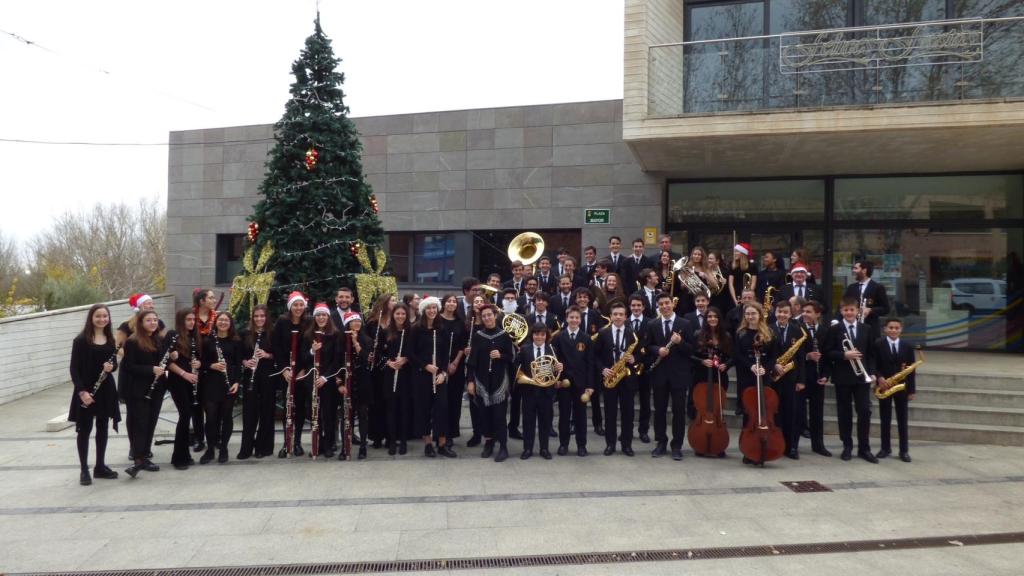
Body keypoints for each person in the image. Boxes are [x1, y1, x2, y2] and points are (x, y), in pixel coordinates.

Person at [69, 304, 121, 485]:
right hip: (86, 389)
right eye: (98, 316)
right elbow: (74, 369)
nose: (102, 319)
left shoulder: (110, 339)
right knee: (84, 430)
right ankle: (84, 469)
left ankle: (100, 466)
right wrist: (82, 392)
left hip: (105, 389)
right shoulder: (81, 340)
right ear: (91, 318)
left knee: (102, 427)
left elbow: (114, 364)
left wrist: (111, 367)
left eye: (105, 316)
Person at [826, 296, 878, 463]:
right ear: (841, 311)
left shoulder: (866, 328)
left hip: (862, 378)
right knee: (844, 413)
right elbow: (828, 352)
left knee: (864, 411)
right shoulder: (835, 329)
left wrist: (872, 372)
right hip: (842, 377)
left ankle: (864, 448)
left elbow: (871, 354)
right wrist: (844, 355)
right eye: (845, 310)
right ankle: (847, 446)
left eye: (852, 310)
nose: (849, 312)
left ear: (857, 311)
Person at [116, 293, 166, 461]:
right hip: (135, 381)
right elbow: (124, 356)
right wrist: (149, 367)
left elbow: (163, 352)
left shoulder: (157, 336)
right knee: (137, 418)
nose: (153, 322)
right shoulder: (130, 334)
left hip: (155, 381)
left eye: (155, 320)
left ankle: (144, 450)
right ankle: (137, 451)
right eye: (149, 320)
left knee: (150, 418)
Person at [644, 293, 694, 461]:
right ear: (658, 306)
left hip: (679, 375)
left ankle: (677, 445)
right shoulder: (652, 324)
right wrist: (657, 350)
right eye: (661, 304)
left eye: (667, 303)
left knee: (679, 411)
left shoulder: (685, 324)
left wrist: (680, 342)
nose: (664, 306)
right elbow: (647, 346)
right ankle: (661, 442)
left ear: (673, 304)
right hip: (660, 374)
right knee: (659, 410)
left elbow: (692, 350)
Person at [467, 304, 516, 462]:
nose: (487, 318)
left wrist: (500, 355)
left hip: (499, 380)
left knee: (499, 415)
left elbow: (511, 357)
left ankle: (503, 446)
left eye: (489, 315)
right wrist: (470, 381)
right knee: (484, 414)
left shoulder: (504, 335)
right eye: (484, 316)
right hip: (482, 380)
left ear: (495, 315)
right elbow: (471, 361)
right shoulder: (478, 336)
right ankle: (488, 442)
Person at [411, 297, 457, 458]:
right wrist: (425, 366)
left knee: (441, 409)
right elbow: (410, 353)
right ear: (423, 310)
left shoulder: (442, 329)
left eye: (434, 308)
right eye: (428, 308)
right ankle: (428, 444)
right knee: (423, 409)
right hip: (422, 376)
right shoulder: (416, 329)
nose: (432, 311)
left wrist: (443, 373)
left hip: (439, 377)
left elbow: (445, 354)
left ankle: (442, 444)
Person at [595, 301, 639, 457]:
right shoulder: (603, 333)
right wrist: (602, 369)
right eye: (615, 314)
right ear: (611, 316)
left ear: (626, 317)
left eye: (621, 314)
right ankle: (610, 444)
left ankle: (627, 445)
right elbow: (595, 355)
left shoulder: (632, 334)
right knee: (610, 413)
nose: (618, 317)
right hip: (610, 377)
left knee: (628, 414)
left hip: (627, 378)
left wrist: (634, 359)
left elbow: (640, 353)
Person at [272, 291, 312, 457]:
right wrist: (284, 369)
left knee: (300, 407)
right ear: (290, 306)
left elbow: (309, 347)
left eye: (301, 305)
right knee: (288, 406)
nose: (298, 308)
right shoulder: (282, 322)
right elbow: (276, 347)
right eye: (295, 305)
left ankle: (297, 442)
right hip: (286, 372)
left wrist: (303, 369)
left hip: (302, 372)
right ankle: (286, 441)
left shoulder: (309, 322)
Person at [199, 311, 242, 465]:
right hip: (210, 383)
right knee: (210, 418)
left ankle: (223, 448)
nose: (223, 322)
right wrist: (212, 365)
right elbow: (201, 362)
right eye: (221, 320)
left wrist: (237, 382)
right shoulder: (208, 340)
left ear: (230, 324)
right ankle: (210, 449)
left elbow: (238, 364)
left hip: (229, 383)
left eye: (226, 320)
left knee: (226, 416)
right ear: (216, 322)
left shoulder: (236, 341)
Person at [552, 306, 594, 456]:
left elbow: (590, 364)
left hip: (581, 384)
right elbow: (554, 360)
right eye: (571, 317)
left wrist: (590, 385)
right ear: (567, 318)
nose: (574, 320)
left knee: (581, 416)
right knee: (564, 415)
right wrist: (556, 379)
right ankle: (563, 444)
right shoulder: (558, 337)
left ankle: (581, 445)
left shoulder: (586, 338)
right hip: (564, 383)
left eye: (577, 318)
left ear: (580, 320)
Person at [691, 305, 732, 457]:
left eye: (715, 316)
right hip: (702, 375)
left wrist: (726, 364)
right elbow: (690, 355)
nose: (712, 319)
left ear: (719, 318)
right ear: (705, 319)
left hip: (719, 375)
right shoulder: (698, 334)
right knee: (701, 408)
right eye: (709, 316)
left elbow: (733, 356)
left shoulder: (726, 336)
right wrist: (702, 361)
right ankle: (700, 441)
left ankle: (718, 443)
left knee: (717, 409)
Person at [874, 317, 916, 463]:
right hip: (884, 386)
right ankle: (885, 448)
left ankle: (904, 450)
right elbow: (874, 364)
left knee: (902, 420)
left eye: (896, 328)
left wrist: (911, 390)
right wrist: (879, 378)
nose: (893, 330)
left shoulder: (907, 346)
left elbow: (911, 370)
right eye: (890, 328)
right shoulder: (878, 344)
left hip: (902, 387)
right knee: (885, 419)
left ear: (901, 330)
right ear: (885, 329)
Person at [236, 305, 275, 460]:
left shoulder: (272, 333)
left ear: (267, 317)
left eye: (262, 316)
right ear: (252, 318)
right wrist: (245, 362)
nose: (259, 319)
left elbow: (279, 354)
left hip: (267, 376)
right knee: (249, 412)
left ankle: (263, 447)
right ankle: (246, 448)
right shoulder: (244, 334)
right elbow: (238, 355)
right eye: (256, 316)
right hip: (250, 376)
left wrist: (267, 355)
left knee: (267, 411)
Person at [164, 308, 201, 469]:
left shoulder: (194, 336)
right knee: (184, 416)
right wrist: (184, 374)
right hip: (177, 380)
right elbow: (167, 362)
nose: (192, 322)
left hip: (191, 380)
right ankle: (178, 458)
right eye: (188, 320)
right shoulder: (172, 335)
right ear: (181, 320)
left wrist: (198, 363)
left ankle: (184, 455)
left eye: (193, 319)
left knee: (187, 417)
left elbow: (199, 358)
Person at [770, 300, 806, 460]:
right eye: (779, 312)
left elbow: (801, 357)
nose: (782, 315)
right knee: (774, 413)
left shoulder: (797, 330)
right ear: (775, 312)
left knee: (791, 413)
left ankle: (791, 446)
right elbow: (765, 353)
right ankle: (774, 444)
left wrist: (801, 380)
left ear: (790, 314)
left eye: (785, 312)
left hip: (791, 378)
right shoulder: (768, 328)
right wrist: (774, 364)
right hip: (773, 378)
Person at [518, 323, 557, 460]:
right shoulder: (525, 349)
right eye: (536, 334)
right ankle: (527, 448)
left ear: (546, 336)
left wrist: (558, 368)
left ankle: (544, 448)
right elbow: (518, 367)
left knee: (545, 422)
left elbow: (554, 371)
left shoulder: (552, 349)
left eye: (542, 334)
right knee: (528, 422)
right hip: (529, 391)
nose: (539, 337)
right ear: (532, 335)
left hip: (546, 392)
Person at [307, 303, 341, 459]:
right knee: (315, 414)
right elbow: (303, 358)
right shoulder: (308, 335)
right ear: (315, 317)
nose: (321, 318)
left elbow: (337, 360)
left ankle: (328, 445)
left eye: (324, 315)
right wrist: (312, 351)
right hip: (313, 380)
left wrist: (325, 377)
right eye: (318, 315)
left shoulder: (335, 335)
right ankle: (317, 444)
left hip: (328, 380)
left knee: (328, 413)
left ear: (328, 317)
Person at [338, 311, 373, 459]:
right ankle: (345, 447)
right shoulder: (340, 340)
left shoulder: (367, 339)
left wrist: (355, 343)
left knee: (363, 414)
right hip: (347, 381)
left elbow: (367, 360)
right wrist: (339, 383)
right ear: (348, 324)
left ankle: (363, 446)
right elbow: (336, 362)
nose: (357, 323)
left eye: (358, 321)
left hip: (363, 380)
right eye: (353, 321)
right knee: (346, 415)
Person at [800, 300, 832, 457]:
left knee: (817, 414)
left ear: (818, 314)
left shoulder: (825, 331)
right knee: (797, 412)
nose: (804, 314)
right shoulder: (797, 328)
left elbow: (828, 356)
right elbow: (795, 354)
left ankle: (818, 445)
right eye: (804, 311)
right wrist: (807, 356)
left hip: (818, 378)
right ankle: (792, 446)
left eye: (808, 312)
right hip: (801, 377)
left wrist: (826, 375)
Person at [363, 293, 394, 449]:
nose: (395, 303)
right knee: (376, 403)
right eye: (392, 300)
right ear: (385, 303)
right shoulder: (372, 323)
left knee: (389, 402)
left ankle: (390, 436)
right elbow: (367, 343)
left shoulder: (396, 320)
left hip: (392, 365)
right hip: (376, 367)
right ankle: (376, 436)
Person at [383, 303, 413, 456]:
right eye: (397, 314)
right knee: (391, 409)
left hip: (406, 375)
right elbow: (379, 354)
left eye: (403, 314)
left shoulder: (411, 332)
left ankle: (404, 441)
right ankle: (392, 441)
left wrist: (406, 359)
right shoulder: (386, 332)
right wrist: (388, 362)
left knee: (404, 409)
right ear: (393, 315)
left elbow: (416, 353)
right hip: (390, 375)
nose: (400, 316)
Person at [439, 294, 467, 448]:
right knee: (441, 402)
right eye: (449, 301)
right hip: (439, 366)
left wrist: (455, 363)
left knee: (454, 401)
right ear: (444, 303)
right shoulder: (437, 320)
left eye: (454, 301)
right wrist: (444, 365)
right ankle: (440, 432)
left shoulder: (460, 322)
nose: (451, 303)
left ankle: (450, 434)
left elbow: (463, 345)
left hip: (456, 366)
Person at [843, 260, 890, 340]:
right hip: (852, 328)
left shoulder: (877, 287)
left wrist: (870, 310)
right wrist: (836, 320)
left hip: (871, 328)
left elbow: (886, 308)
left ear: (864, 270)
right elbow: (843, 304)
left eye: (856, 268)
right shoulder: (851, 287)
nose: (853, 271)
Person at [627, 295, 652, 443]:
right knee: (628, 402)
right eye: (633, 305)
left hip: (645, 368)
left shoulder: (651, 323)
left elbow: (651, 346)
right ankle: (627, 431)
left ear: (643, 307)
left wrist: (637, 359)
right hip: (627, 369)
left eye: (638, 305)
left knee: (645, 402)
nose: (636, 308)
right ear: (630, 307)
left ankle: (643, 431)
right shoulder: (624, 322)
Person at [728, 243, 758, 307]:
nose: (735, 253)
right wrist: (735, 300)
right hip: (735, 295)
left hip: (748, 295)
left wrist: (747, 297)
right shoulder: (732, 266)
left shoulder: (752, 266)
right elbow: (730, 284)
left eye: (737, 251)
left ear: (743, 253)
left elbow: (753, 283)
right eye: (735, 252)